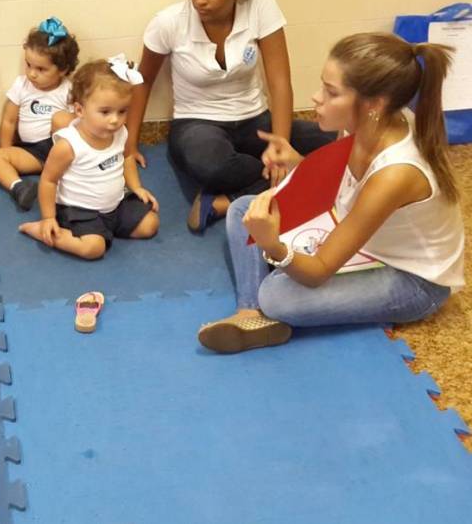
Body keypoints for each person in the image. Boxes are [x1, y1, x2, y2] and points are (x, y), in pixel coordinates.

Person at [198, 32, 465, 353]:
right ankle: (251, 314)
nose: (316, 97)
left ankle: (258, 306)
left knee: (277, 295)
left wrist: (272, 246)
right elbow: (341, 183)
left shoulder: (396, 174)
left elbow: (318, 272)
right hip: (358, 232)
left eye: (331, 92)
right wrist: (298, 163)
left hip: (412, 280)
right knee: (243, 208)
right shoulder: (367, 122)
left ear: (374, 104)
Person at [126, 0, 335, 233]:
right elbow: (142, 81)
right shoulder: (168, 22)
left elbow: (280, 82)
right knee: (211, 164)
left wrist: (280, 144)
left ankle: (227, 200)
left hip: (256, 121)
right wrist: (129, 146)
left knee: (336, 141)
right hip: (197, 126)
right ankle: (299, 179)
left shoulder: (260, 4)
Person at [19, 58, 160, 259]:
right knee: (93, 248)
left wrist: (136, 187)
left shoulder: (121, 133)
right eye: (105, 112)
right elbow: (48, 180)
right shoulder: (68, 144)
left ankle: (106, 229)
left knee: (150, 224)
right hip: (80, 211)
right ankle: (41, 230)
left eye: (122, 111)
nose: (115, 120)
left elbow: (128, 157)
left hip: (116, 205)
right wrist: (48, 217)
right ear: (80, 110)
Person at [0, 16, 79, 211]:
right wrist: (6, 150)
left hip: (60, 150)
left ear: (63, 69)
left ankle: (82, 179)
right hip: (32, 152)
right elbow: (9, 120)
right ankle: (18, 188)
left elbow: (79, 127)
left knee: (63, 119)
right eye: (28, 65)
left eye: (41, 69)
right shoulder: (21, 85)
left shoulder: (68, 90)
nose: (32, 73)